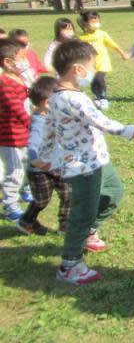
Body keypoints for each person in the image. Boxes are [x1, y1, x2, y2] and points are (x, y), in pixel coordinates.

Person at [49, 40, 134, 284]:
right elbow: (103, 123)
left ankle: (88, 231)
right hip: (82, 167)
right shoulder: (72, 99)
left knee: (114, 191)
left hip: (97, 160)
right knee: (82, 213)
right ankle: (70, 265)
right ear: (77, 69)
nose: (92, 70)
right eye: (90, 65)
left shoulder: (63, 94)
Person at [16, 76, 70, 236]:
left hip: (59, 165)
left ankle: (65, 226)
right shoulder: (40, 123)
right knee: (41, 200)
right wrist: (37, 162)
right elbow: (32, 146)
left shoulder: (54, 116)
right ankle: (27, 220)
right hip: (40, 170)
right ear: (47, 103)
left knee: (69, 194)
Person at [0, 39, 32, 221]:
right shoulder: (4, 83)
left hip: (23, 134)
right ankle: (10, 206)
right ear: (7, 62)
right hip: (10, 137)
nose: (25, 61)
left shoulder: (19, 78)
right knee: (15, 171)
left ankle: (25, 191)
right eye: (21, 58)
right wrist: (31, 123)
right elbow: (16, 108)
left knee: (27, 165)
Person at [78, 11, 129, 110]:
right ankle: (97, 97)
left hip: (102, 62)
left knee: (99, 79)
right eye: (93, 21)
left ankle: (103, 98)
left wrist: (122, 53)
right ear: (85, 23)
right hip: (89, 65)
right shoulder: (82, 38)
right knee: (92, 80)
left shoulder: (102, 34)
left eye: (97, 20)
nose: (96, 23)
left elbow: (113, 44)